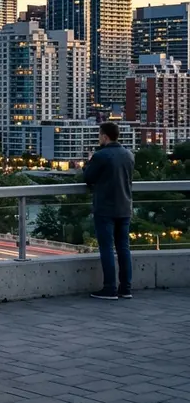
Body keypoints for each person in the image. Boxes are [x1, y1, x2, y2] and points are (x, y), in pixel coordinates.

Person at [83, 122, 135, 300]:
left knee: (106, 248)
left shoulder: (101, 155)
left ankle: (110, 288)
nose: (99, 138)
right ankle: (126, 288)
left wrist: (87, 164)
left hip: (105, 208)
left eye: (99, 135)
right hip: (125, 207)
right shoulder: (129, 155)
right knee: (123, 248)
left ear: (105, 136)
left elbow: (88, 177)